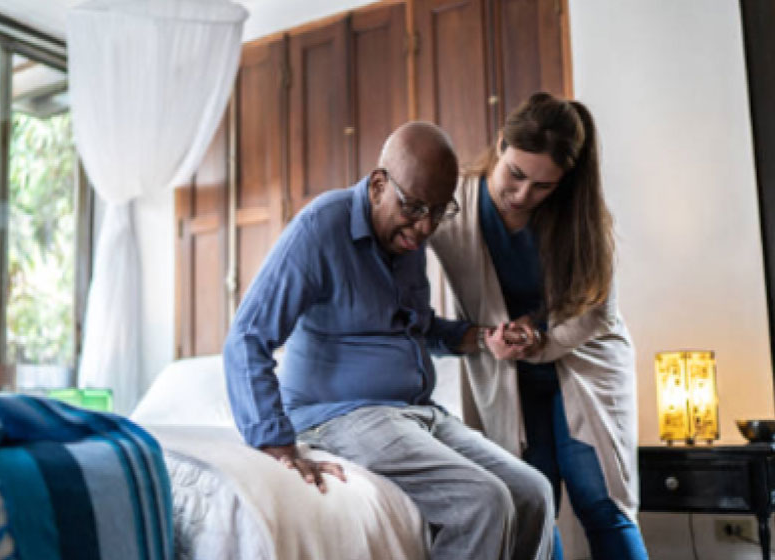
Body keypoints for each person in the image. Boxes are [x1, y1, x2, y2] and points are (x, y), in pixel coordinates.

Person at [223, 121, 554, 560]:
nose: (423, 229)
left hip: (416, 413)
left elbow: (417, 327)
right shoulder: (321, 228)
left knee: (534, 490)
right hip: (339, 416)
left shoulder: (406, 245)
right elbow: (247, 337)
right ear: (379, 184)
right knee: (482, 501)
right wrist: (275, 444)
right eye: (415, 208)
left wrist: (479, 337)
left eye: (439, 212)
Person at [429, 92, 649, 560]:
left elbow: (597, 312)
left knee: (601, 501)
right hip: (506, 370)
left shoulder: (580, 219)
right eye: (516, 174)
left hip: (583, 361)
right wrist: (487, 341)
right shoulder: (453, 205)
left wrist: (540, 341)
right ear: (501, 144)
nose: (523, 194)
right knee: (531, 502)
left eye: (543, 187)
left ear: (564, 183)